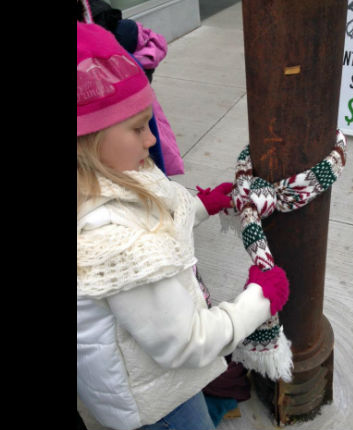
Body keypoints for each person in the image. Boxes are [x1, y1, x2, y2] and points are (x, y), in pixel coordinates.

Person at [76, 22, 290, 430]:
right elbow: (188, 341)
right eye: (138, 128)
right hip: (155, 403)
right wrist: (260, 299)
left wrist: (199, 206)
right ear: (88, 139)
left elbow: (152, 213)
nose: (151, 140)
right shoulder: (113, 241)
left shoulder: (116, 172)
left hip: (150, 379)